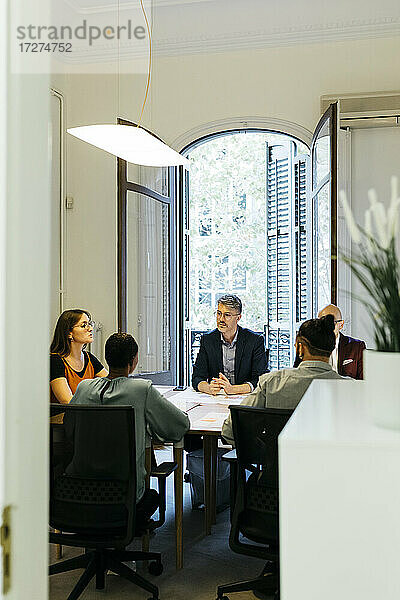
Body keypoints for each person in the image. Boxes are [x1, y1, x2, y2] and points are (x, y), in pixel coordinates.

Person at [70, 333, 190, 525]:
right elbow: (178, 427)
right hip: (125, 497)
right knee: (153, 497)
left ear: (106, 358)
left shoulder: (84, 388)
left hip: (78, 491)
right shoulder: (141, 390)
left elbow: (70, 427)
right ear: (134, 360)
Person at [222, 314, 348, 445]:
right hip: (330, 463)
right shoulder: (350, 389)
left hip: (278, 464)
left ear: (300, 347)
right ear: (332, 348)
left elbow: (230, 431)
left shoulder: (272, 382)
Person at [192, 294, 268, 395]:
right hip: (217, 399)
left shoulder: (254, 341)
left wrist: (233, 389)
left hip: (244, 398)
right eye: (219, 313)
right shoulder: (208, 340)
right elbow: (197, 378)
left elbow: (261, 379)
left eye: (227, 315)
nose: (221, 319)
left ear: (238, 317)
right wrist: (208, 388)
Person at [50, 309, 108, 407]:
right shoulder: (55, 360)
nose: (90, 329)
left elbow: (112, 384)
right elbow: (67, 401)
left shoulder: (89, 358)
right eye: (83, 325)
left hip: (83, 415)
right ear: (69, 333)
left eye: (90, 324)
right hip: (62, 418)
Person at [317, 304, 366, 380]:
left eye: (331, 323)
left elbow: (363, 380)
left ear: (341, 324)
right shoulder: (312, 346)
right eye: (322, 323)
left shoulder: (357, 347)